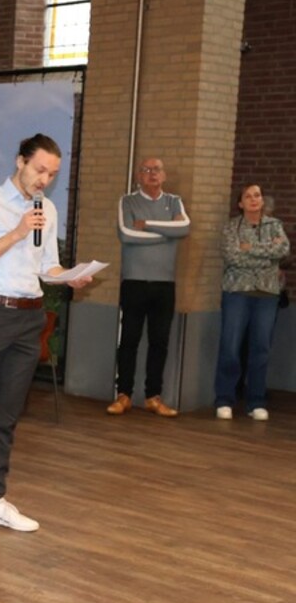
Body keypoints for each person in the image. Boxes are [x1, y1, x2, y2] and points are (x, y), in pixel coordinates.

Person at [0, 133, 91, 542]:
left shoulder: (47, 209)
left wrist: (70, 277)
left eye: (52, 174)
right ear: (20, 162)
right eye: (40, 170)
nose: (45, 180)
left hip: (30, 319)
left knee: (7, 418)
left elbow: (47, 266)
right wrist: (16, 232)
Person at [106, 158, 190, 417]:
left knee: (159, 342)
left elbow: (184, 227)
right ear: (138, 177)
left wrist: (148, 224)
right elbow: (126, 234)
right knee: (129, 340)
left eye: (157, 169)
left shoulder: (174, 201)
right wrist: (166, 235)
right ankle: (124, 395)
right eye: (146, 170)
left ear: (164, 175)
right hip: (134, 282)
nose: (152, 173)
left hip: (165, 284)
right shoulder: (128, 202)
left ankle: (153, 397)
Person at [213, 183, 290, 421]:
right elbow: (232, 257)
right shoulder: (231, 227)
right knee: (230, 347)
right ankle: (224, 399)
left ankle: (256, 401)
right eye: (248, 196)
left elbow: (283, 250)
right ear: (241, 203)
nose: (254, 199)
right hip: (237, 292)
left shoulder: (274, 225)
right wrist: (267, 255)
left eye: (257, 195)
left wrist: (250, 248)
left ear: (262, 201)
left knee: (261, 349)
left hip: (267, 294)